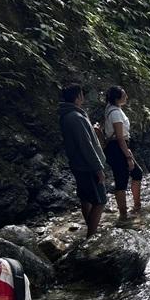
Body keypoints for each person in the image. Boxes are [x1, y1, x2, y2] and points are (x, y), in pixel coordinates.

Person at [58, 83, 107, 237]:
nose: (83, 97)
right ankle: (91, 236)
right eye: (81, 94)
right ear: (77, 97)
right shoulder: (76, 117)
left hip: (77, 164)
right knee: (100, 201)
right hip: (87, 166)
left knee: (85, 198)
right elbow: (86, 145)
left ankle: (90, 230)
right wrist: (98, 168)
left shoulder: (66, 115)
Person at [103, 86, 143, 223]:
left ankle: (136, 206)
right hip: (117, 147)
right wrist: (128, 156)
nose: (126, 97)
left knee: (136, 174)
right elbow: (120, 137)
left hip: (118, 146)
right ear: (117, 98)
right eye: (124, 95)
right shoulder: (115, 113)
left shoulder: (111, 109)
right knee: (122, 180)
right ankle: (124, 213)